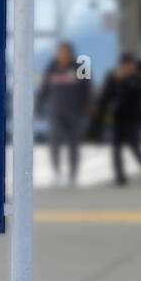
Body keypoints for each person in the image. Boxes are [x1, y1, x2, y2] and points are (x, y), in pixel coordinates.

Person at [95, 53, 141, 186]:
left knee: (134, 147)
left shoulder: (139, 78)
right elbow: (106, 96)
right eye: (126, 65)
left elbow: (136, 93)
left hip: (132, 117)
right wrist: (100, 112)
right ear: (122, 66)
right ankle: (120, 177)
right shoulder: (112, 77)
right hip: (118, 117)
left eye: (131, 65)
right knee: (116, 148)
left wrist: (124, 80)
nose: (129, 68)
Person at [36, 41, 91, 186]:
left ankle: (73, 174)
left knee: (74, 144)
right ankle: (57, 172)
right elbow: (44, 88)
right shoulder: (52, 67)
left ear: (71, 53)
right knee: (54, 142)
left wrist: (88, 106)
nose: (63, 55)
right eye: (61, 52)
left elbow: (87, 88)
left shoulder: (81, 67)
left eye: (66, 52)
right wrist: (38, 106)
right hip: (56, 112)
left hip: (75, 112)